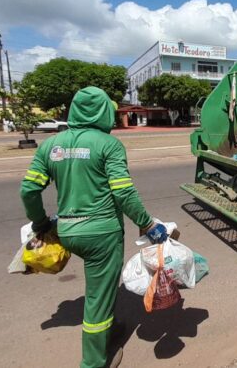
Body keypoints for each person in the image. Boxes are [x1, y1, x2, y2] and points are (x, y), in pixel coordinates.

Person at [20, 86, 168, 368]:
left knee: (103, 290)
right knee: (99, 298)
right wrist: (147, 224)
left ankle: (109, 331)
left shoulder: (51, 145)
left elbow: (28, 190)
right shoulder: (108, 145)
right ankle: (93, 362)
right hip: (102, 234)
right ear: (103, 112)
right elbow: (123, 193)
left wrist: (41, 224)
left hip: (66, 232)